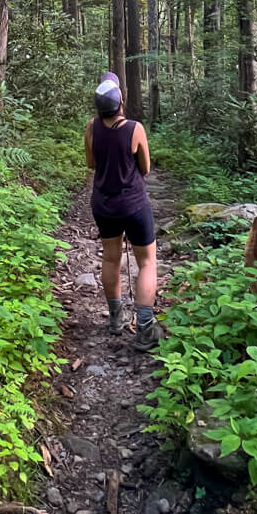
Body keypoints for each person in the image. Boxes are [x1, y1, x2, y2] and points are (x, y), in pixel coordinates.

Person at [84, 72, 164, 351]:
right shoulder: (134, 128)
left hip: (103, 204)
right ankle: (145, 329)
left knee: (111, 258)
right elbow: (146, 168)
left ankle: (115, 319)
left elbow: (91, 164)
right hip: (134, 204)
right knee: (147, 262)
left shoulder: (91, 127)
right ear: (120, 102)